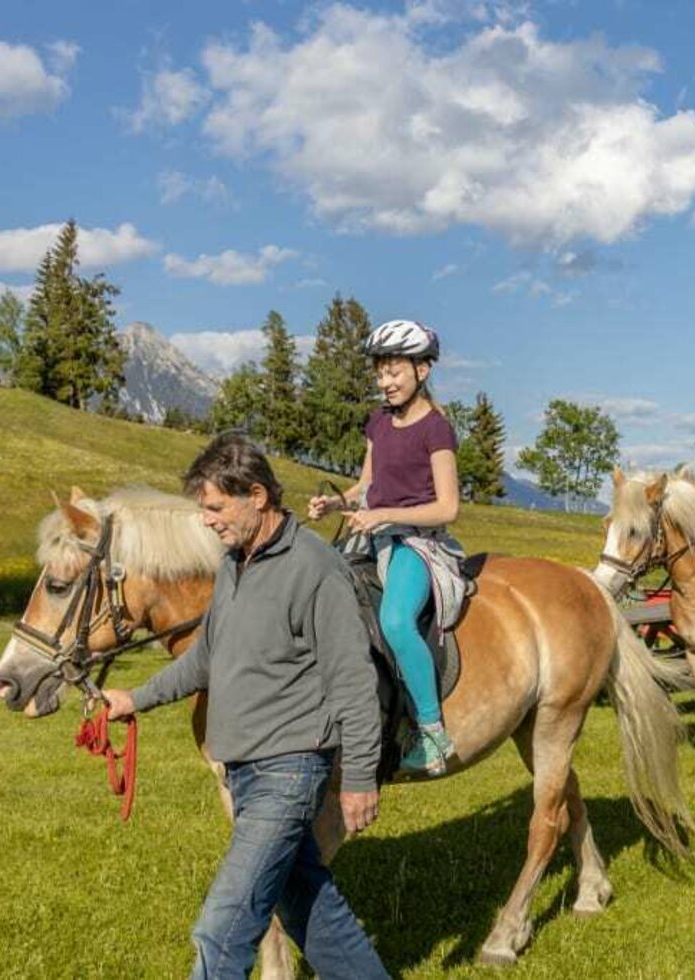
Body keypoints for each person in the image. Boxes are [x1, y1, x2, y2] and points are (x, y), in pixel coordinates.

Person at [103, 433, 388, 980]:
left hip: (291, 768)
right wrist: (134, 698)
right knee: (315, 914)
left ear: (256, 496)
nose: (206, 521)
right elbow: (206, 656)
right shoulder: (235, 562)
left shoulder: (316, 569)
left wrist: (358, 777)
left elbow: (352, 679)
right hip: (244, 769)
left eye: (214, 507)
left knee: (223, 925)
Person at [309, 319, 462, 777]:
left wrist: (385, 516)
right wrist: (338, 501)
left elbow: (448, 507)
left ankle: (433, 733)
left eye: (394, 371)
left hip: (418, 544)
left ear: (423, 370)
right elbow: (368, 483)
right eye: (380, 372)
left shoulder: (436, 430)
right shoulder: (378, 422)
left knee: (395, 620)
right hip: (371, 537)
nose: (385, 382)